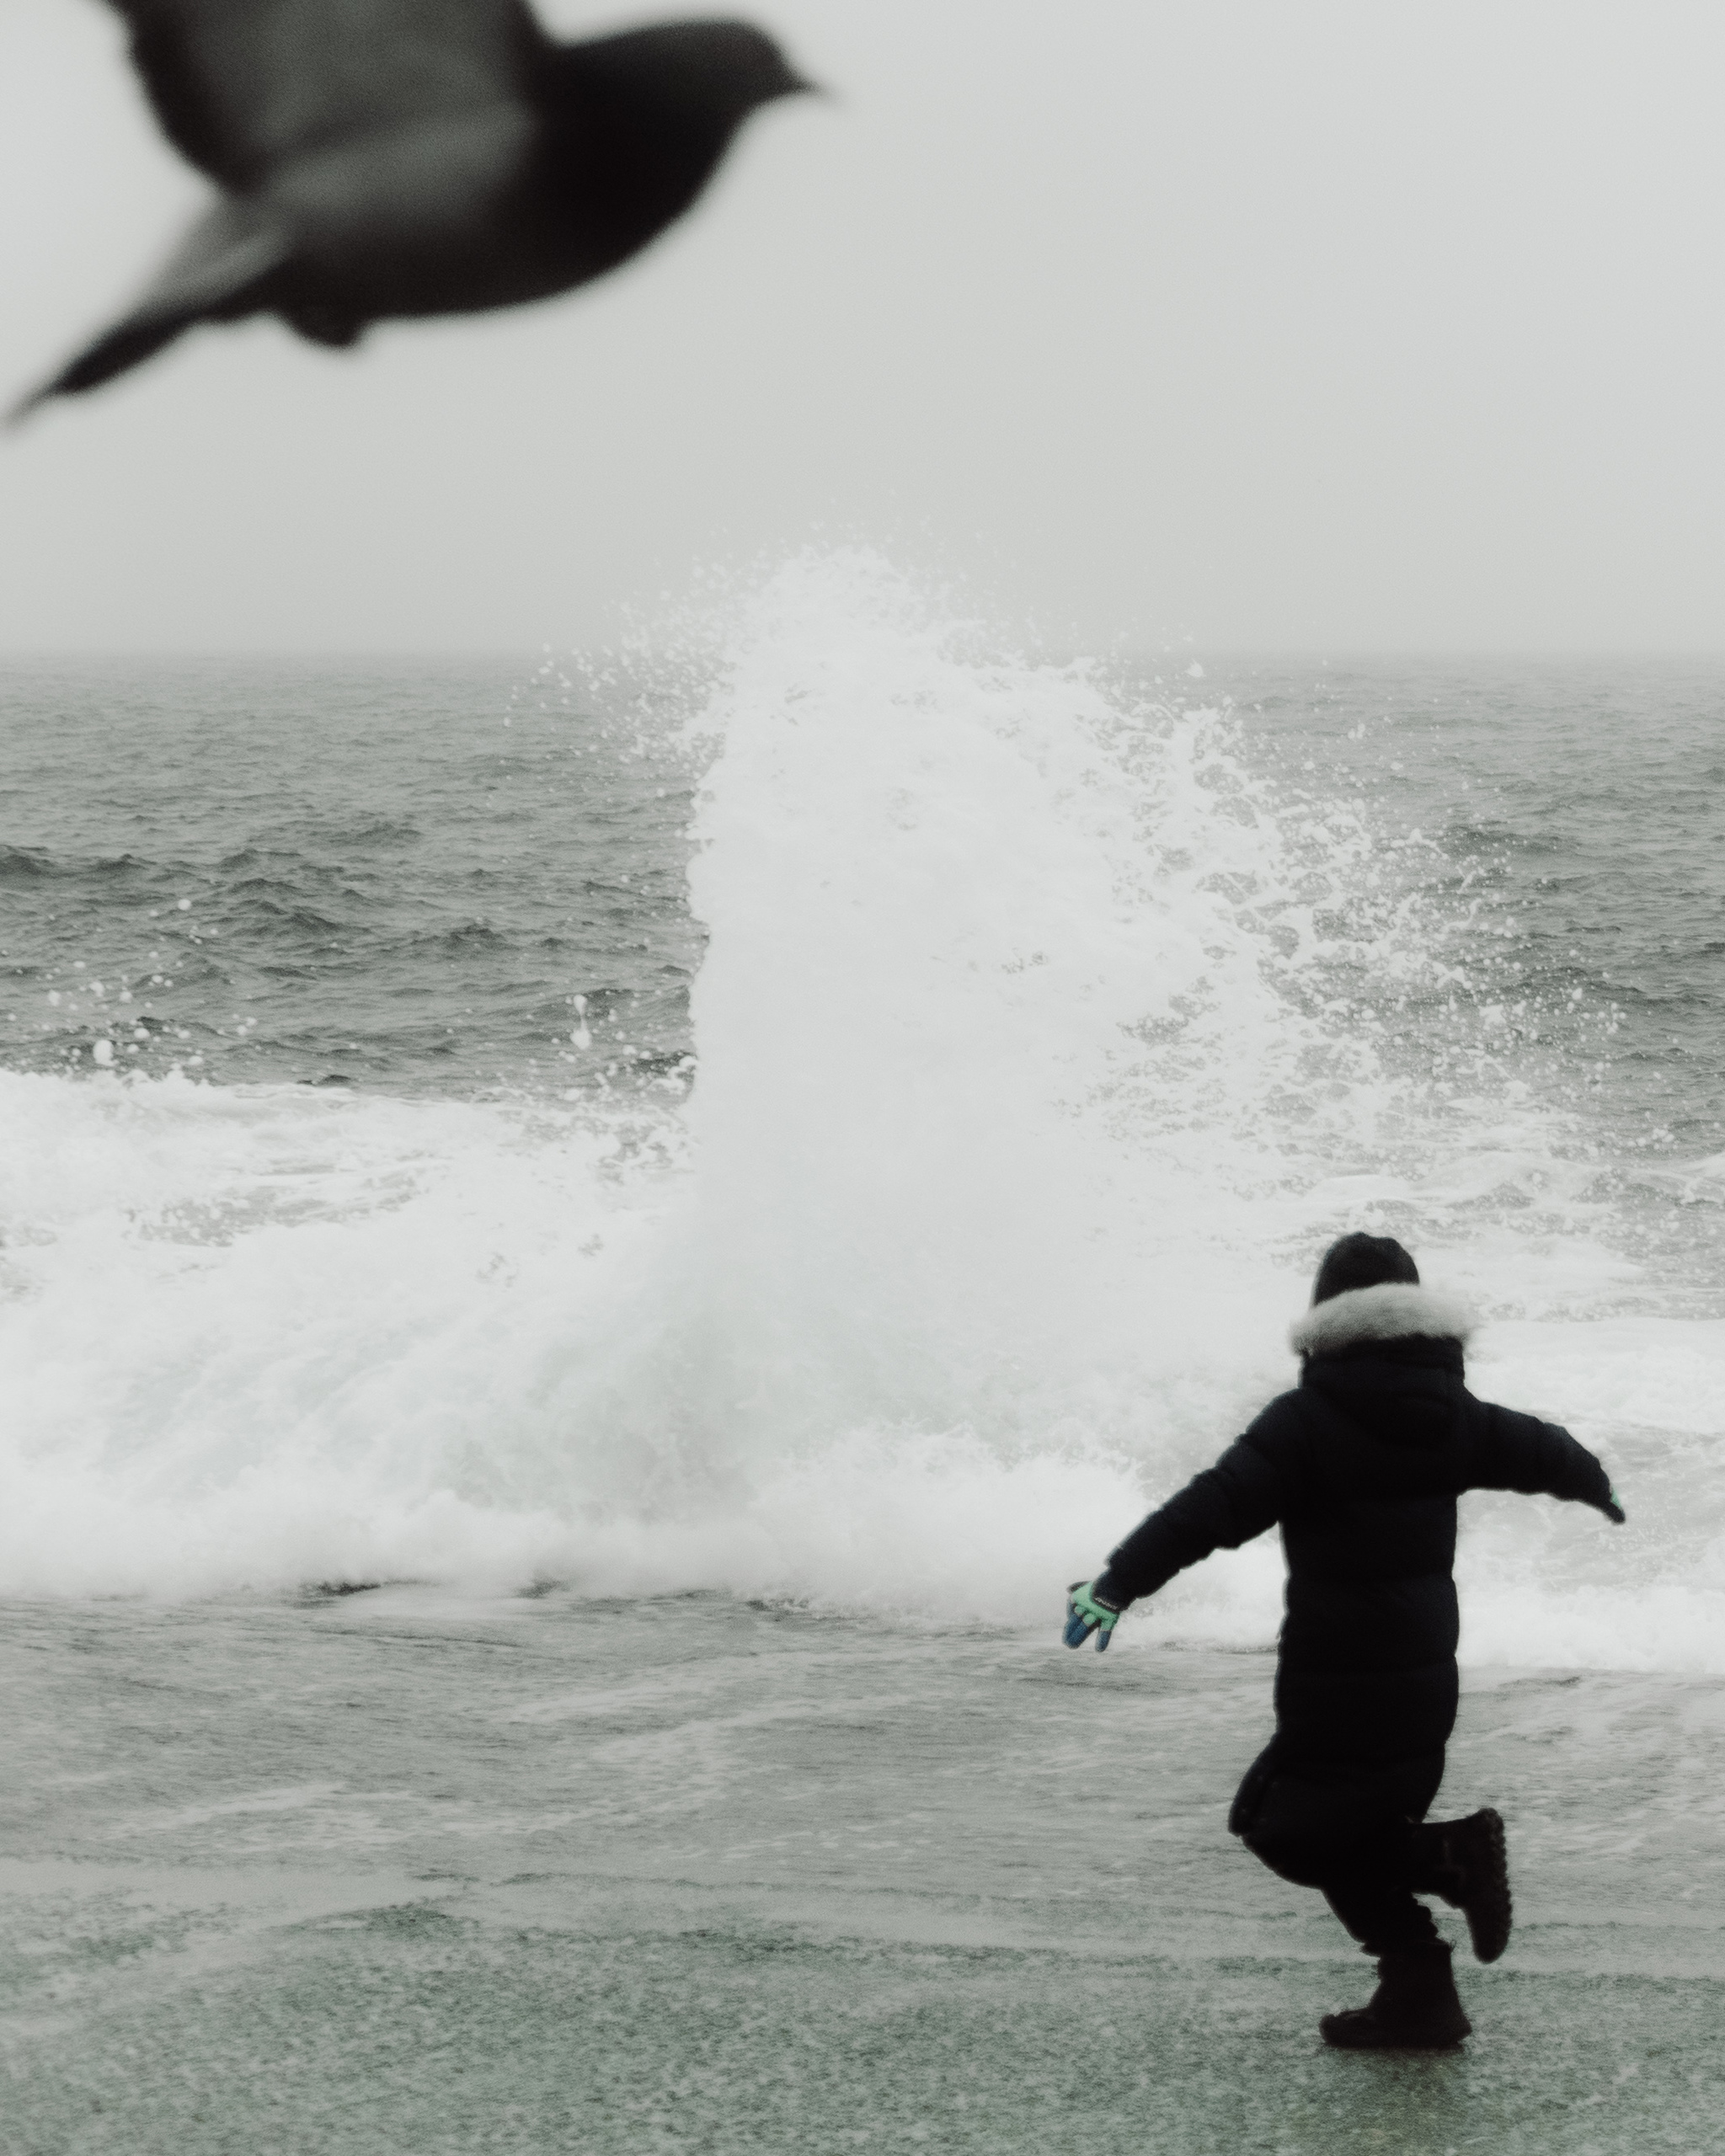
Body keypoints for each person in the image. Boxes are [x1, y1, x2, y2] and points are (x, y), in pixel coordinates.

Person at [1062, 1232, 1625, 2048]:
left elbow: (1205, 1510)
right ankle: (1419, 1984)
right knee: (1321, 1826)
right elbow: (1547, 1448)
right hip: (1420, 1688)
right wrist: (1598, 1490)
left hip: (1339, 1685)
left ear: (1325, 1318)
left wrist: (1116, 1583)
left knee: (1280, 1824)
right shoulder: (1454, 1417)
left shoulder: (1305, 1423)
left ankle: (1443, 1869)